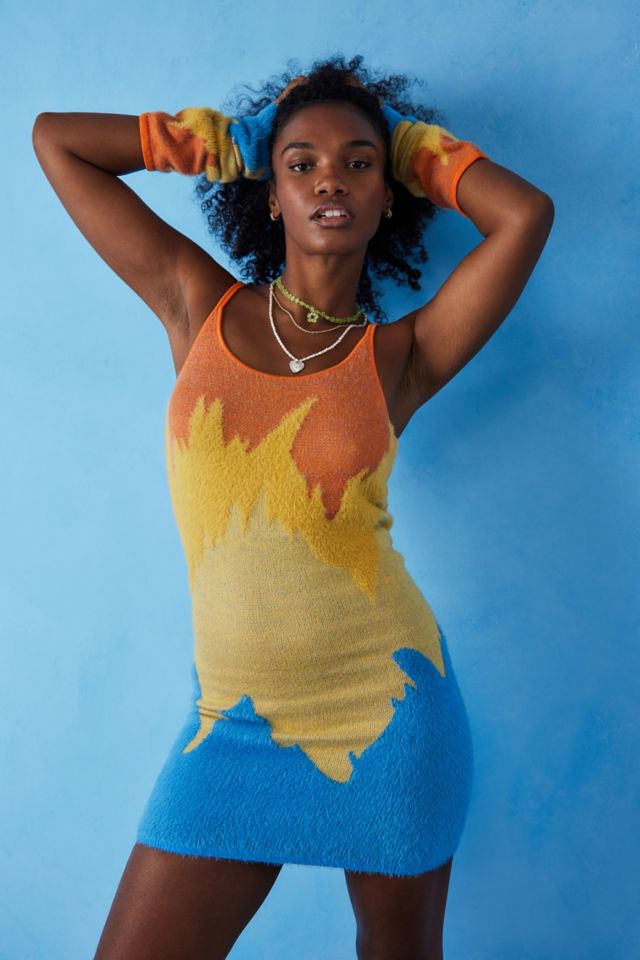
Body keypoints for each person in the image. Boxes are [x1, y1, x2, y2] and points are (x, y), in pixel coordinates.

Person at [32, 53, 554, 960]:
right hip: (232, 721)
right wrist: (225, 144)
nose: (329, 181)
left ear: (388, 195)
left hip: (387, 709)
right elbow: (57, 143)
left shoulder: (403, 355)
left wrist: (414, 148)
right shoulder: (196, 304)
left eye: (359, 163)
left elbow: (525, 215)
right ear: (269, 194)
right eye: (301, 163)